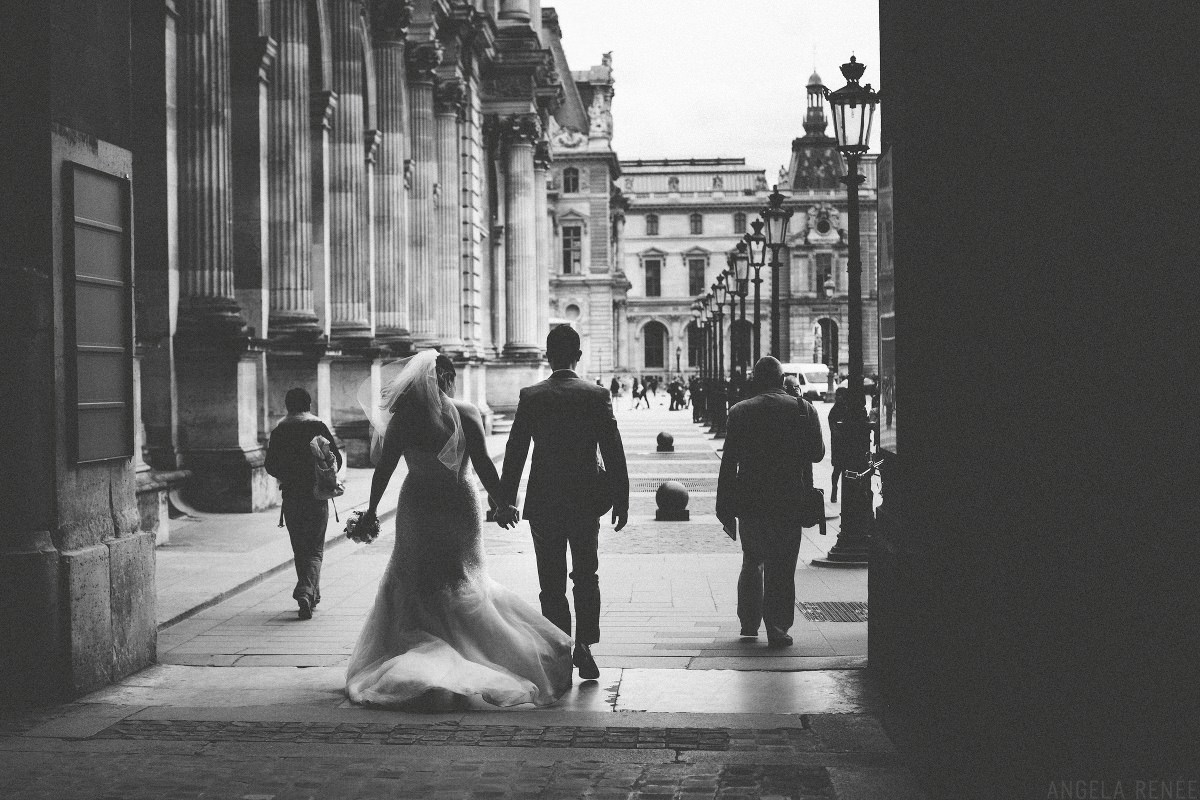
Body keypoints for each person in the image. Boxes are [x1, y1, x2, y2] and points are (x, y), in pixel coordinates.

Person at [345, 351, 572, 709]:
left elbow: (384, 469)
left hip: (417, 502)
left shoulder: (405, 418)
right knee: (462, 577)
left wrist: (371, 511)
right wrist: (502, 503)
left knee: (417, 575)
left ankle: (423, 649)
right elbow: (482, 465)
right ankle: (482, 650)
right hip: (457, 502)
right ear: (448, 377)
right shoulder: (467, 413)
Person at [499, 325, 630, 681]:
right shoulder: (596, 394)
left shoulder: (532, 395)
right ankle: (584, 645)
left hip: (544, 500)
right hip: (586, 500)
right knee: (586, 574)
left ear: (547, 355)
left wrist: (505, 500)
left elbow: (516, 451)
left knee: (551, 582)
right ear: (578, 355)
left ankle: (558, 649)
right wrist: (622, 497)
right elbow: (613, 449)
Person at [716, 357, 825, 648]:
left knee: (752, 560)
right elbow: (817, 454)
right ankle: (777, 628)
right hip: (790, 498)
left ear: (755, 381)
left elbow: (729, 463)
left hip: (751, 498)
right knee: (783, 565)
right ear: (782, 380)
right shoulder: (804, 410)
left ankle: (749, 623)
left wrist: (723, 506)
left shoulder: (740, 411)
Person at [264, 388, 341, 620]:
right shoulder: (317, 427)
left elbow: (270, 466)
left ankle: (311, 595)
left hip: (292, 497)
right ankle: (306, 592)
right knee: (315, 549)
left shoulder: (280, 430)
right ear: (309, 404)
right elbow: (337, 457)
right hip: (316, 495)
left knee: (300, 549)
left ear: (287, 406)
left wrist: (288, 474)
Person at [827, 387, 852, 504]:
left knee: (846, 469)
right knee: (837, 469)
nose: (837, 397)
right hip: (838, 444)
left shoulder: (849, 409)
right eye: (836, 395)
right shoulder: (834, 410)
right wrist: (836, 432)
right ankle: (834, 489)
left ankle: (845, 493)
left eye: (839, 395)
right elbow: (832, 426)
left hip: (846, 444)